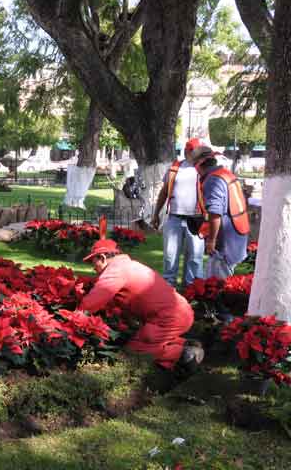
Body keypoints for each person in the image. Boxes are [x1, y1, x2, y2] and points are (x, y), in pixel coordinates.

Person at [78, 239, 203, 373]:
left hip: (169, 318)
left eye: (93, 262)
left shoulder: (115, 270)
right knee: (146, 337)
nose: (93, 267)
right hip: (179, 312)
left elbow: (91, 302)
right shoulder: (129, 265)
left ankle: (184, 353)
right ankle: (183, 343)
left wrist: (74, 317)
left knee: (133, 351)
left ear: (102, 258)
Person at [151, 138, 205, 287]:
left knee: (195, 257)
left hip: (196, 219)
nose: (197, 154)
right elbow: (164, 192)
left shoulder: (204, 169)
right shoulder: (175, 168)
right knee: (170, 256)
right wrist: (156, 214)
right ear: (187, 151)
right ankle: (169, 287)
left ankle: (193, 288)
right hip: (174, 218)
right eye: (194, 151)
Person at [191, 146, 250, 278]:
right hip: (237, 237)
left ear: (198, 165)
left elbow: (215, 213)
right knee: (222, 281)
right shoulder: (225, 174)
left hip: (225, 244)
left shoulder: (213, 180)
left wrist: (211, 241)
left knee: (216, 284)